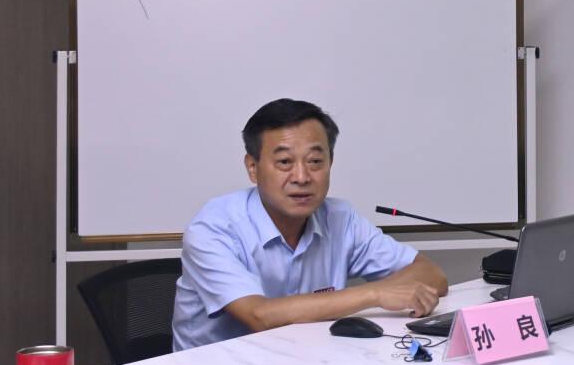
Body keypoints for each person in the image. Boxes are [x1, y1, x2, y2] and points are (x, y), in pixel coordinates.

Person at [172, 98, 448, 350]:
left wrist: (388, 291)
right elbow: (259, 315)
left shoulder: (340, 218)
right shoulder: (214, 227)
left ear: (330, 163)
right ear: (253, 168)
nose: (302, 177)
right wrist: (375, 293)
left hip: (307, 361)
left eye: (315, 161)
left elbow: (431, 275)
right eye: (284, 162)